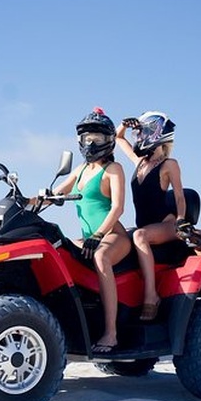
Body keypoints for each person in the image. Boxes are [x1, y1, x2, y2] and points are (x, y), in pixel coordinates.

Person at [47, 107, 130, 354]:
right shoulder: (81, 170)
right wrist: (28, 200)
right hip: (88, 238)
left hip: (113, 235)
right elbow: (56, 193)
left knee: (101, 258)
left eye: (98, 138)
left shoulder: (113, 170)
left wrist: (98, 235)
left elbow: (118, 209)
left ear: (109, 141)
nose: (92, 143)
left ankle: (111, 333)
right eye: (87, 138)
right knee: (59, 249)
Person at [115, 111, 186, 321]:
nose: (138, 137)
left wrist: (181, 220)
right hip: (145, 226)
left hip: (167, 224)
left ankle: (151, 295)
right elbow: (119, 138)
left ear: (157, 134)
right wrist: (124, 125)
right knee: (122, 235)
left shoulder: (169, 165)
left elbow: (180, 196)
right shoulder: (139, 162)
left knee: (138, 236)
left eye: (142, 132)